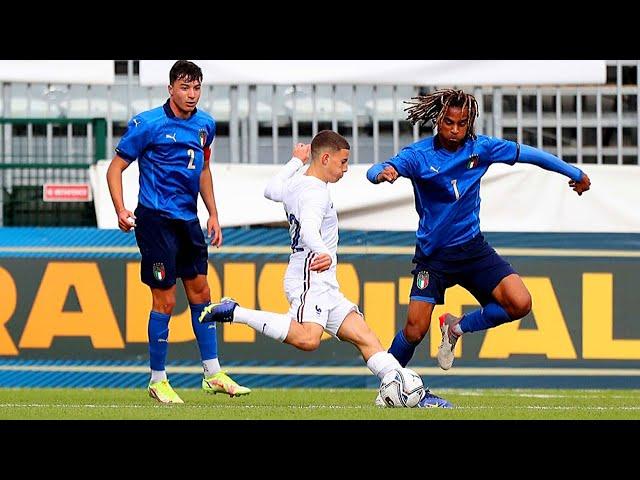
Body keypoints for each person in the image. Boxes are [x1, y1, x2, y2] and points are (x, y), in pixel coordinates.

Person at [199, 130, 452, 408]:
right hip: (311, 274)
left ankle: (408, 391)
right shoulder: (315, 193)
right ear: (326, 158)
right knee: (308, 338)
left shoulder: (297, 182)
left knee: (364, 335)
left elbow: (270, 189)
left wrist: (296, 161)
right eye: (343, 162)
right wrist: (322, 251)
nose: (345, 169)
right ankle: (236, 312)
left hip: (321, 279)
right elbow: (308, 227)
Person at [366, 89, 591, 371]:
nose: (455, 130)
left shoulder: (481, 148)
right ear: (438, 120)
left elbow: (531, 155)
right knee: (414, 331)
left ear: (470, 122)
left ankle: (456, 328)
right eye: (449, 122)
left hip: (472, 248)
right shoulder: (419, 155)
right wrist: (381, 173)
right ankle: (389, 382)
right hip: (433, 257)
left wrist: (575, 173)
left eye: (462, 123)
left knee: (520, 303)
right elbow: (378, 168)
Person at [106, 60, 250, 404]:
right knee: (166, 299)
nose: (191, 94)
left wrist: (213, 213)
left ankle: (212, 373)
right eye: (184, 88)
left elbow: (203, 170)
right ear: (170, 89)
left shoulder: (206, 125)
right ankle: (158, 380)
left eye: (196, 88)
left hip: (188, 220)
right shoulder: (148, 124)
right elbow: (115, 168)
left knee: (202, 293)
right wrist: (120, 210)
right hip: (155, 220)